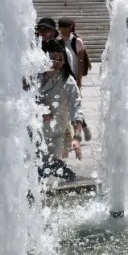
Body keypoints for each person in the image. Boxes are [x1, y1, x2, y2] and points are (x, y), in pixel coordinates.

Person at [38, 39, 84, 181]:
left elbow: (76, 110)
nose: (56, 63)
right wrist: (38, 110)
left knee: (46, 168)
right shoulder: (33, 77)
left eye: (60, 59)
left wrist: (76, 138)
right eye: (52, 59)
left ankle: (71, 180)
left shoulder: (68, 82)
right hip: (31, 134)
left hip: (54, 136)